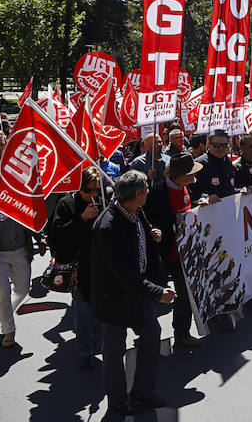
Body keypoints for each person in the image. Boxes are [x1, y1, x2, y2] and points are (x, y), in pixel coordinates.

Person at [91, 170, 173, 416]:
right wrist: (157, 292)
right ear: (137, 194)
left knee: (152, 335)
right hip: (114, 298)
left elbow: (140, 242)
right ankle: (117, 403)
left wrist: (151, 234)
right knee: (114, 351)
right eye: (146, 190)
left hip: (138, 291)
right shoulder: (107, 227)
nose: (148, 193)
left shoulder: (136, 212)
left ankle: (142, 393)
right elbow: (123, 273)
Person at [141, 154, 205, 351]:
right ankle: (179, 334)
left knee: (186, 292)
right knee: (181, 294)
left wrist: (200, 202)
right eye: (191, 174)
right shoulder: (157, 194)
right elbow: (150, 222)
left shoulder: (185, 186)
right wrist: (173, 222)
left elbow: (190, 201)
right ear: (180, 176)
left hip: (187, 249)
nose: (194, 177)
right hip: (169, 253)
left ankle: (182, 332)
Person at [0, 164, 47, 348]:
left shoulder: (21, 197)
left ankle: (5, 314)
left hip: (20, 252)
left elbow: (33, 218)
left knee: (23, 289)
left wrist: (41, 239)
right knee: (2, 294)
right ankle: (8, 331)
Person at [47, 166, 103, 368]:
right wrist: (82, 219)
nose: (92, 195)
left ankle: (93, 337)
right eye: (87, 190)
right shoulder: (66, 203)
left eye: (95, 190)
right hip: (79, 267)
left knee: (98, 307)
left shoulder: (102, 201)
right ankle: (85, 351)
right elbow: (58, 234)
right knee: (82, 310)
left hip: (99, 264)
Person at [192, 129, 237, 202]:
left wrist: (243, 189)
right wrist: (205, 197)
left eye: (224, 145)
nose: (221, 149)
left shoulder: (228, 162)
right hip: (209, 208)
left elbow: (230, 189)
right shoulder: (198, 165)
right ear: (209, 144)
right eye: (217, 145)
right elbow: (190, 191)